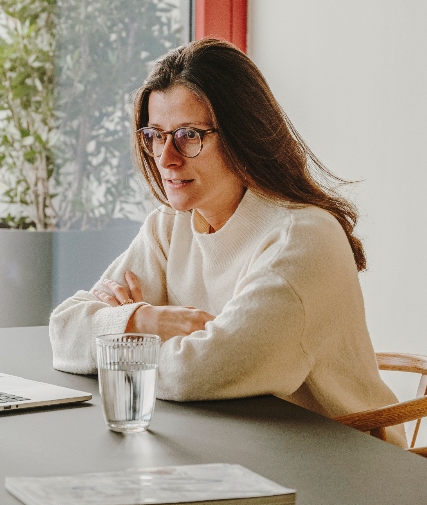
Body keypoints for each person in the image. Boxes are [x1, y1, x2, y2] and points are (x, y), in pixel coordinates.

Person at [49, 38, 405, 446]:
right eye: (155, 134)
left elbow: (197, 372)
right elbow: (64, 330)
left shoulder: (302, 240)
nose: (166, 158)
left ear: (243, 136)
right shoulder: (170, 226)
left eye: (188, 135)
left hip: (341, 464)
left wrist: (117, 343)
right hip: (237, 446)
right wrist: (147, 321)